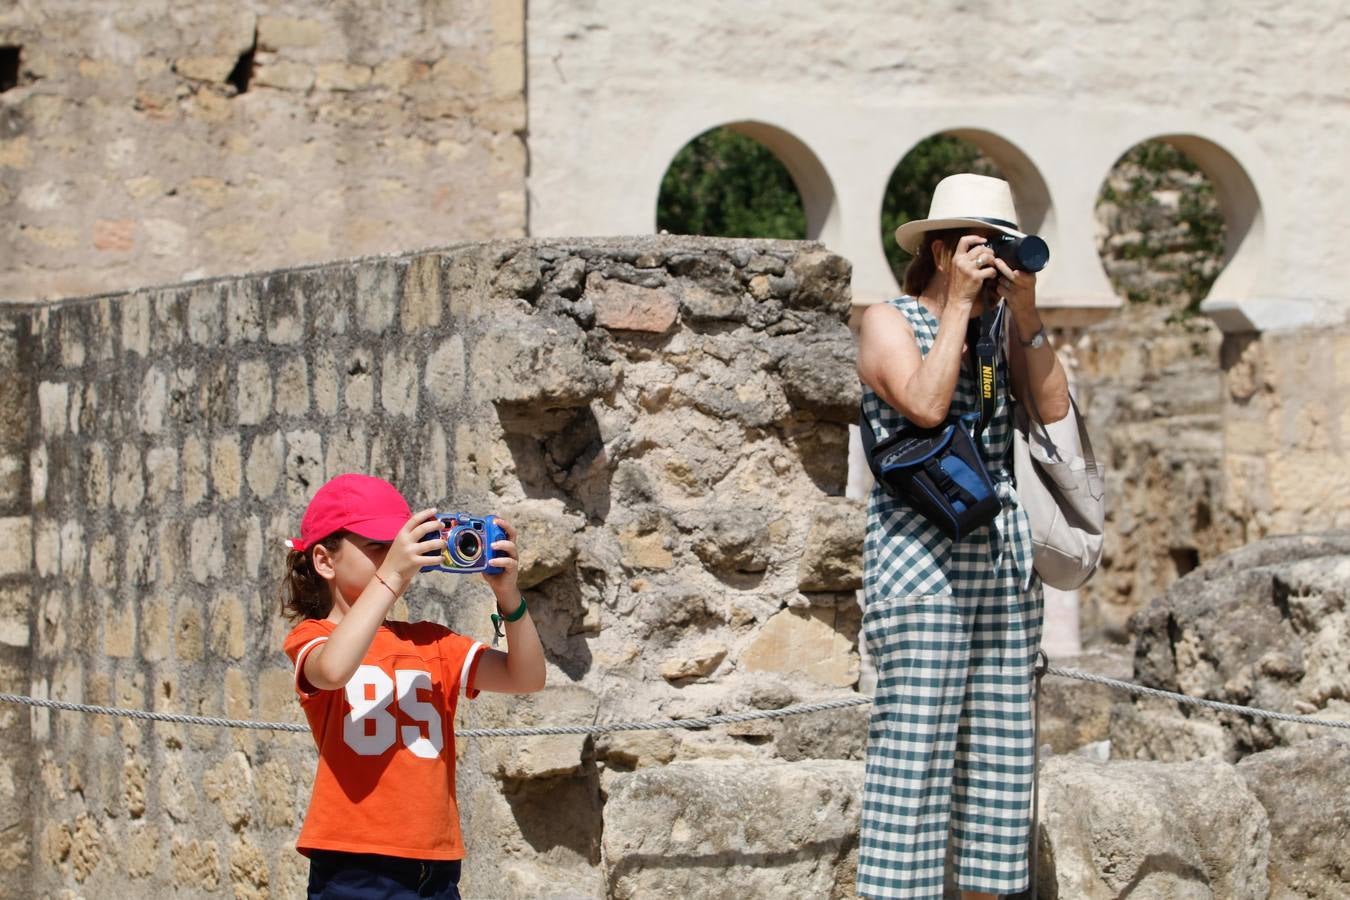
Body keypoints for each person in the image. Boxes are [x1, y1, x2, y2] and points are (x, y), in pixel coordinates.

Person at [854, 173, 1070, 900]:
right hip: (920, 563)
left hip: (1000, 562)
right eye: (979, 245)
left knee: (1001, 771)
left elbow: (1052, 407)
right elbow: (923, 402)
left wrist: (1026, 312)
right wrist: (957, 309)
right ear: (942, 251)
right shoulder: (888, 320)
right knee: (914, 760)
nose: (992, 260)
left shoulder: (1000, 329)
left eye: (1000, 246)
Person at [280, 473, 546, 900]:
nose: (394, 558)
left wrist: (509, 596)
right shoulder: (312, 637)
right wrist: (391, 576)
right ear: (325, 562)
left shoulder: (430, 640)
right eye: (377, 548)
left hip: (435, 861)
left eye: (398, 545)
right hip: (355, 862)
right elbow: (332, 671)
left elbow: (526, 677)